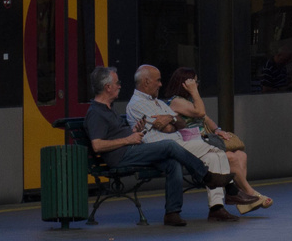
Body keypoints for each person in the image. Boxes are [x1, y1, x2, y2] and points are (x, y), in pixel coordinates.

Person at [83, 66, 233, 227]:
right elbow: (97, 145)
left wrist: (134, 131)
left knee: (171, 162)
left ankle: (172, 213)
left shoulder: (108, 109)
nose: (120, 85)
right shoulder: (96, 113)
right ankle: (206, 176)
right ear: (108, 87)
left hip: (130, 149)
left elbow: (115, 134)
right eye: (117, 82)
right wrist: (128, 140)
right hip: (121, 156)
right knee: (169, 145)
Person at [126, 66, 257, 218]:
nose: (161, 84)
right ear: (146, 82)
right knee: (216, 150)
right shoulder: (137, 104)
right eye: (158, 80)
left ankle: (217, 208)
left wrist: (171, 118)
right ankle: (231, 190)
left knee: (214, 156)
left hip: (178, 143)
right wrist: (171, 121)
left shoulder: (158, 103)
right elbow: (166, 127)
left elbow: (178, 123)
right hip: (163, 148)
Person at [165, 67, 272, 209]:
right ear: (185, 84)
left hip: (206, 140)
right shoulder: (176, 101)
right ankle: (251, 193)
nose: (197, 85)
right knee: (231, 158)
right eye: (194, 82)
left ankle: (241, 199)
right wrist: (194, 92)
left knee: (241, 155)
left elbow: (205, 118)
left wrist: (217, 130)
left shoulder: (190, 99)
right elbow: (200, 111)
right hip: (193, 144)